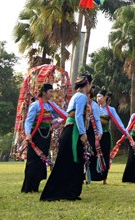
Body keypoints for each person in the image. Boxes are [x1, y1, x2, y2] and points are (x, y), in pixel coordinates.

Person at [40, 73, 93, 201]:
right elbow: (78, 116)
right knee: (70, 161)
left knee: (68, 162)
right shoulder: (81, 97)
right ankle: (65, 191)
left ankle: (69, 191)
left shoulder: (76, 96)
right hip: (74, 131)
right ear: (87, 84)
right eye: (91, 84)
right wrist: (83, 133)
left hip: (69, 131)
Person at [21, 83, 66, 193]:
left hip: (46, 136)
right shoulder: (35, 105)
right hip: (36, 136)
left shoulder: (51, 106)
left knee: (42, 161)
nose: (52, 94)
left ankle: (35, 186)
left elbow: (62, 115)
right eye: (50, 92)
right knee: (33, 161)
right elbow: (29, 121)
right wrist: (28, 134)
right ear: (44, 92)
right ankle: (27, 188)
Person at [96, 89, 129, 184]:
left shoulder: (110, 110)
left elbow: (118, 122)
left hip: (105, 135)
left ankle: (104, 178)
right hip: (95, 136)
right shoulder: (94, 108)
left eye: (100, 96)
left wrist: (126, 134)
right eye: (97, 96)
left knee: (105, 156)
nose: (97, 98)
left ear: (105, 97)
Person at [84, 89, 105, 182]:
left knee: (90, 151)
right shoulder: (81, 103)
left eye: (86, 95)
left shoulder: (94, 106)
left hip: (91, 131)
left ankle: (89, 174)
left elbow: (97, 120)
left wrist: (100, 132)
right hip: (82, 129)